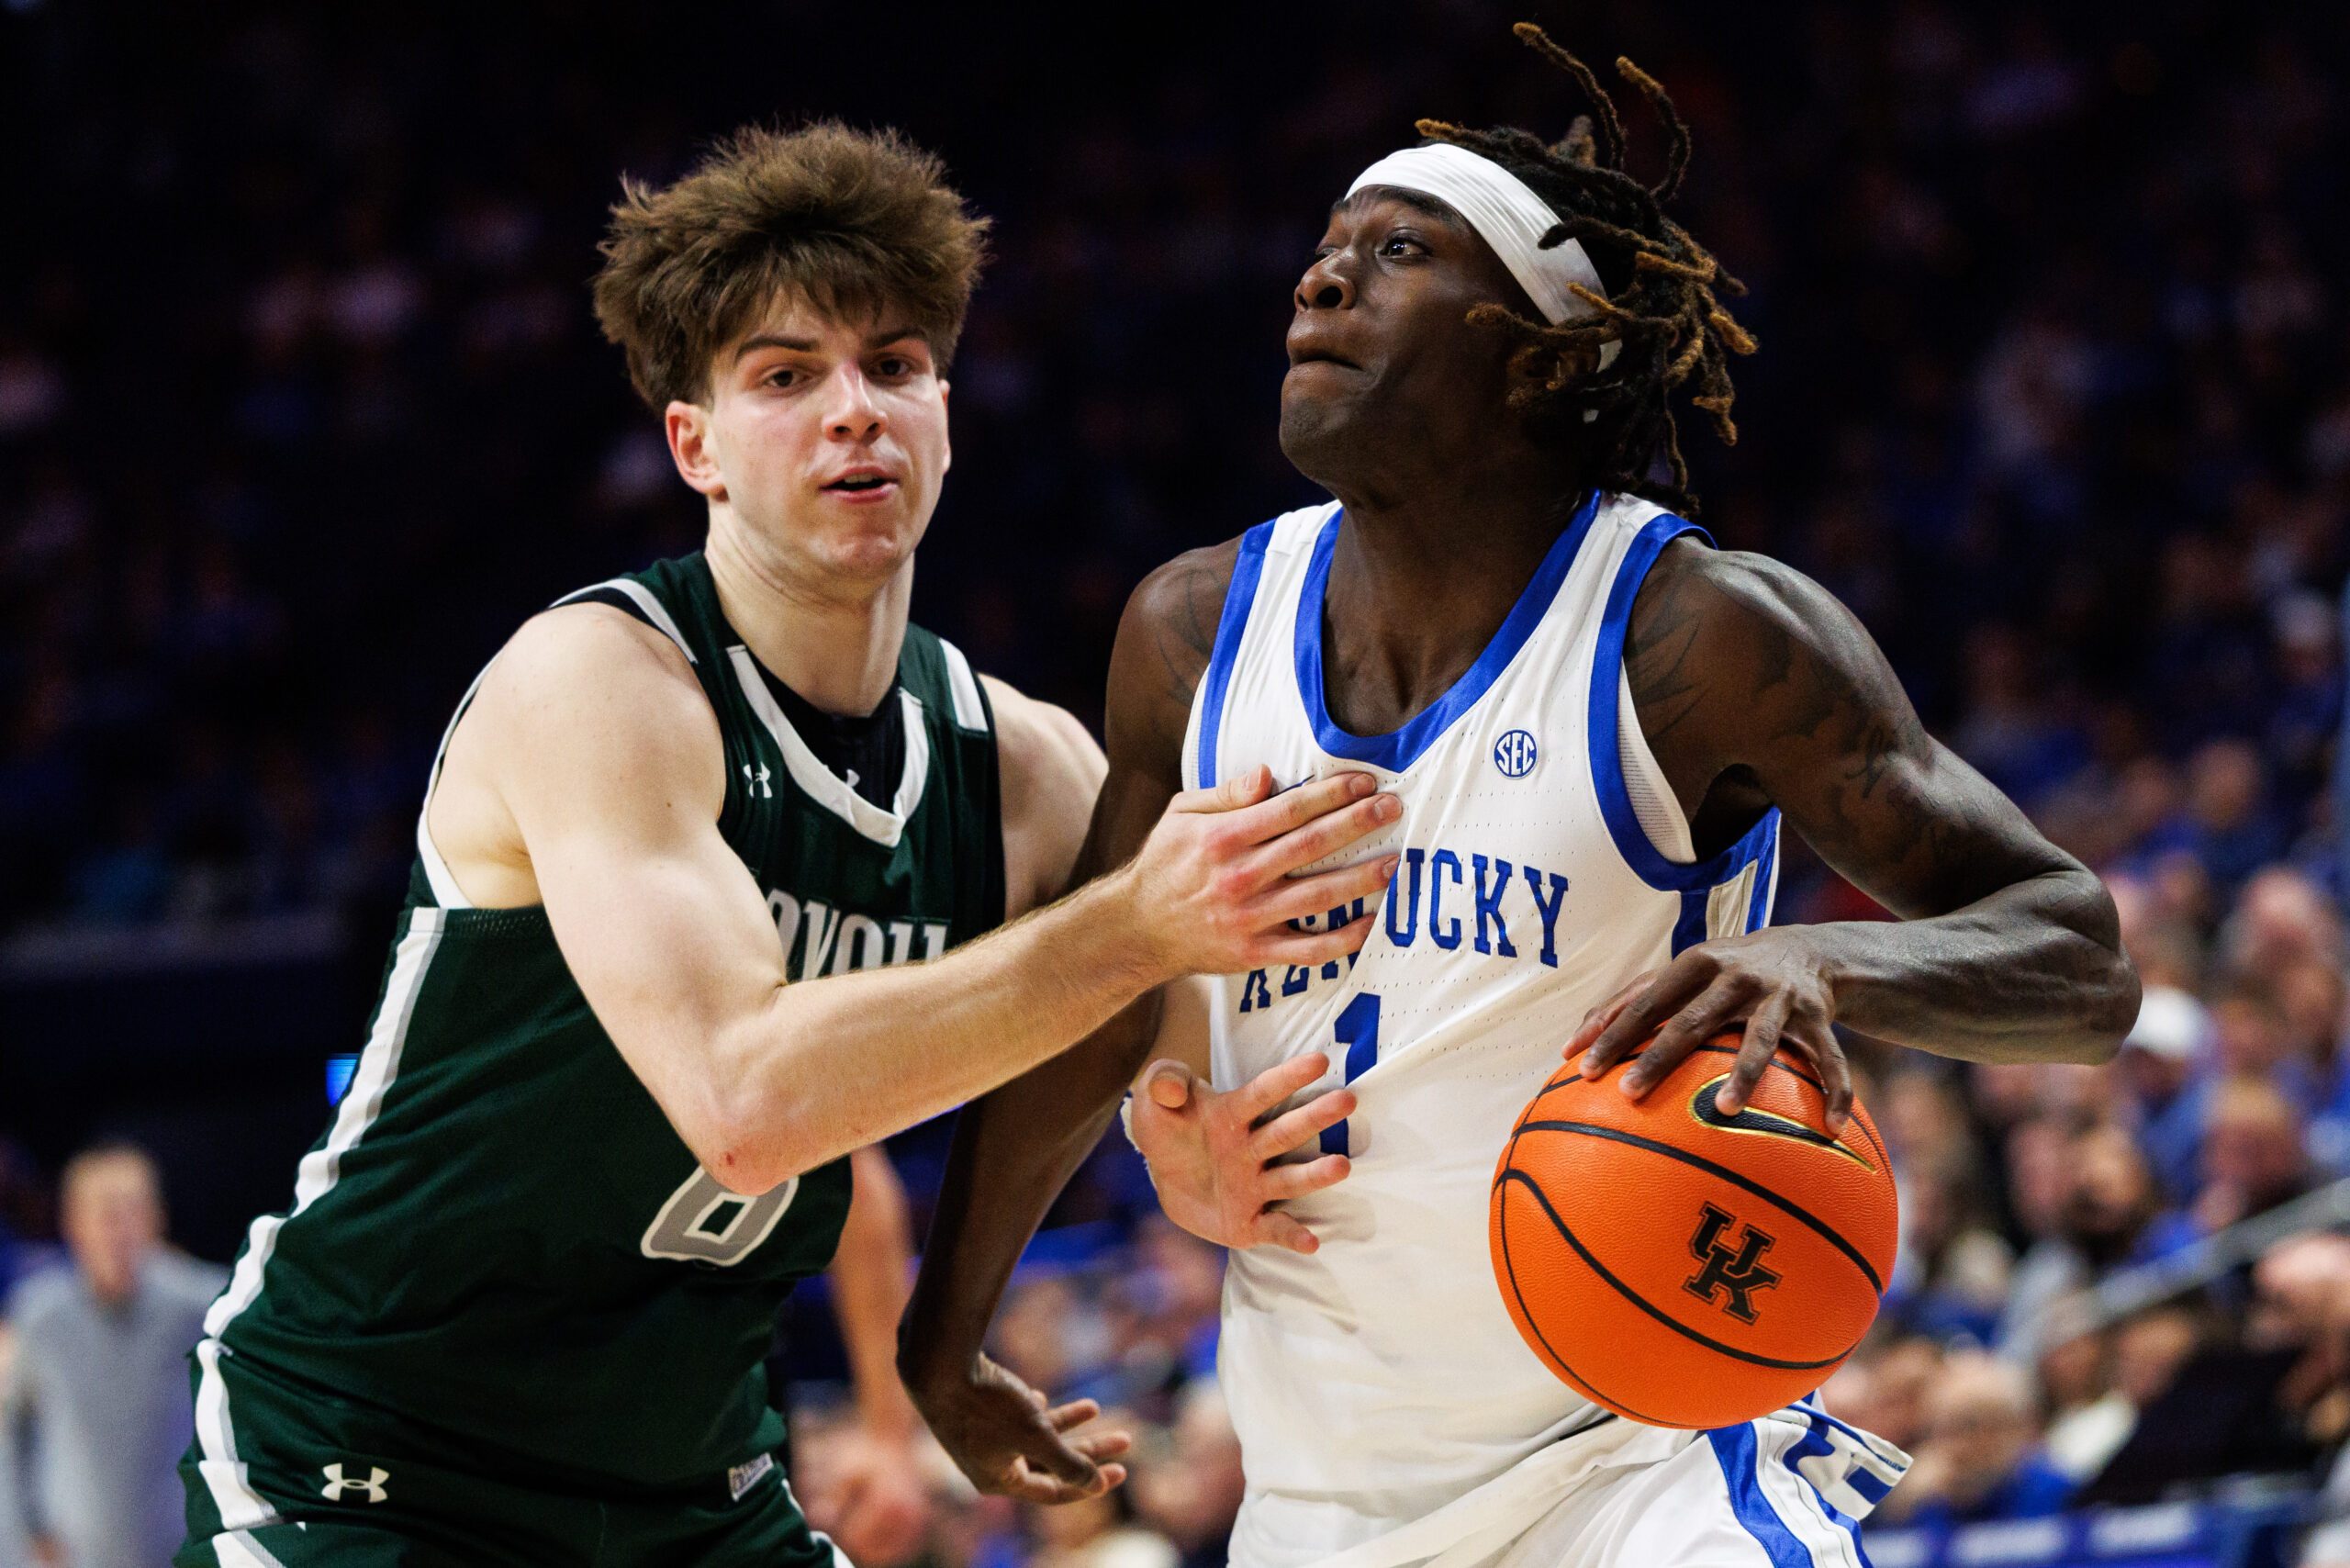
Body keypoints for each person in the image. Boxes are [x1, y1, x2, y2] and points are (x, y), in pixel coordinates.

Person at [900, 25, 2138, 1568]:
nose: (1320, 280)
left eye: (1398, 248)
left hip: (1638, 1473)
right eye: (1323, 249)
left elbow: (2082, 957)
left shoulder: (1699, 635)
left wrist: (1823, 958)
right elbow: (1092, 1001)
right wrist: (942, 1342)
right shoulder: (1189, 632)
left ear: (1536, 344)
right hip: (1316, 1503)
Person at [176, 123, 1397, 1567]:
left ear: (948, 409)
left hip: (690, 1476)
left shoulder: (1026, 771)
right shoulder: (602, 687)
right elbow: (744, 1104)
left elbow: (1169, 1102)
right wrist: (1136, 924)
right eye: (785, 377)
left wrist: (1177, 1155)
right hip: (375, 1449)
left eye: (892, 366)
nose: (854, 411)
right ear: (692, 443)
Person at [1, 1145, 225, 1568]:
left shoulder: (205, 1306)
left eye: (133, 1211)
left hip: (182, 1552)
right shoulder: (38, 1316)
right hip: (74, 1556)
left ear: (158, 1219)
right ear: (72, 1222)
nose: (118, 1230)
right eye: (104, 1213)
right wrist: (22, 1543)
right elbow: (12, 1437)